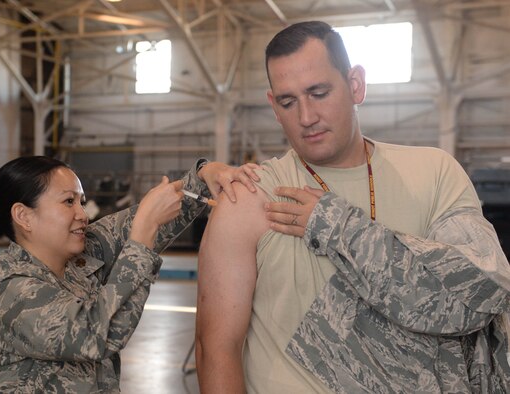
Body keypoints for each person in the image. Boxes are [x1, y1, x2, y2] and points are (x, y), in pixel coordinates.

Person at [195, 20, 510, 394]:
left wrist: (341, 227)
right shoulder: (249, 196)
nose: (306, 117)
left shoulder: (434, 172)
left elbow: (483, 291)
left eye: (319, 92)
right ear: (273, 106)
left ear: (355, 84)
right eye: (288, 101)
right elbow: (216, 350)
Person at [0, 155, 259, 393]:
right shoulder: (13, 290)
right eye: (68, 202)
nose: (82, 214)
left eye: (81, 202)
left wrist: (206, 174)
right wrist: (143, 236)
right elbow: (96, 335)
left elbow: (144, 216)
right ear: (23, 216)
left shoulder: (81, 255)